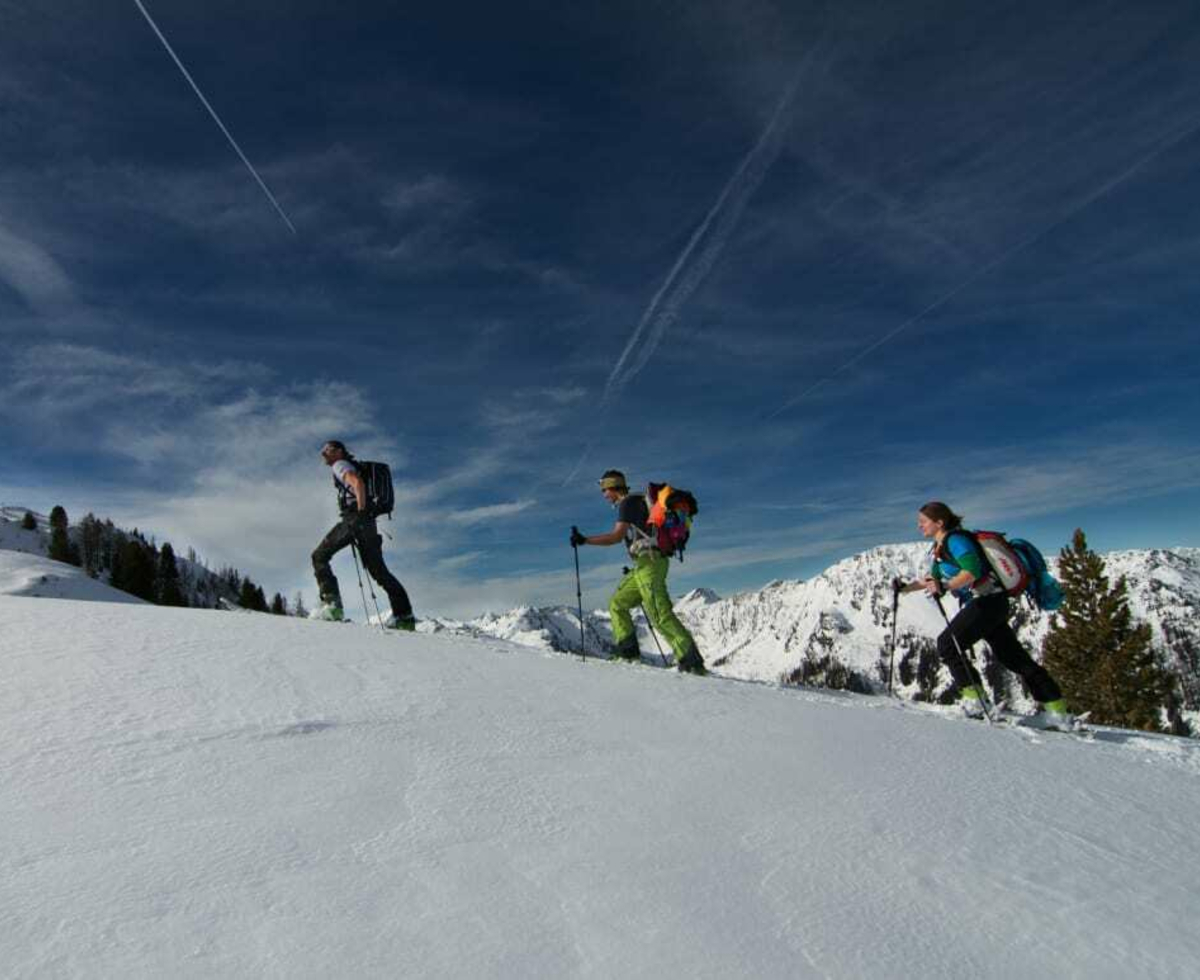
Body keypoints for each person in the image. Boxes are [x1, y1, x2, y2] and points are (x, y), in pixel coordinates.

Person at [900, 501, 1072, 727]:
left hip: (988, 602)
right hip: (992, 603)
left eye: (923, 521)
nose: (919, 525)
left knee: (948, 644)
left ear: (939, 522)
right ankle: (1056, 710)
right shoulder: (941, 549)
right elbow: (932, 580)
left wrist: (947, 586)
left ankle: (976, 702)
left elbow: (972, 570)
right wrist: (905, 588)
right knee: (1013, 657)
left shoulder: (956, 540)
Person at [571, 470, 705, 674]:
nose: (604, 494)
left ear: (613, 487)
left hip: (650, 564)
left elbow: (616, 537)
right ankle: (628, 654)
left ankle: (692, 664)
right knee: (617, 603)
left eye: (604, 489)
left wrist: (585, 540)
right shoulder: (636, 503)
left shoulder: (627, 504)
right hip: (644, 565)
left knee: (659, 615)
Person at [312, 440, 415, 630]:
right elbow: (359, 482)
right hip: (368, 522)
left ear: (339, 452)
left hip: (355, 519)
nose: (324, 453)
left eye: (328, 450)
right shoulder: (350, 465)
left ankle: (332, 607)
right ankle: (405, 617)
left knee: (319, 556)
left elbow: (356, 482)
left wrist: (359, 512)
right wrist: (365, 514)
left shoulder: (339, 465)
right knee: (379, 572)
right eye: (323, 450)